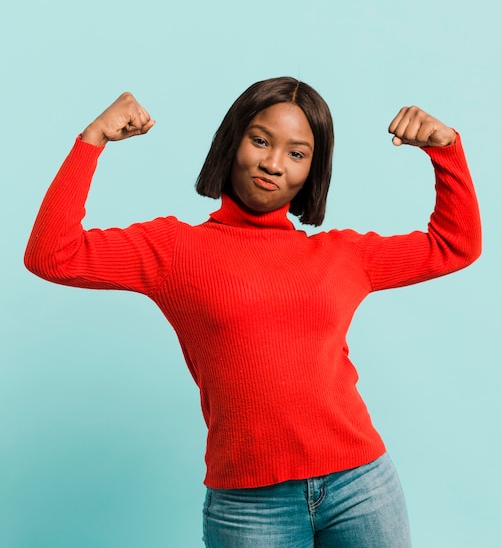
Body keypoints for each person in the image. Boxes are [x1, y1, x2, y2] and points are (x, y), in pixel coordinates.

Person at [25, 77, 481, 547]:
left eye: (297, 153)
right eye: (260, 140)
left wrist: (446, 150)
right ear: (233, 140)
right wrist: (92, 140)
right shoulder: (173, 249)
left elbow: (455, 246)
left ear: (312, 170)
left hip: (361, 486)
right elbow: (51, 255)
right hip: (250, 506)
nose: (272, 163)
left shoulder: (341, 256)